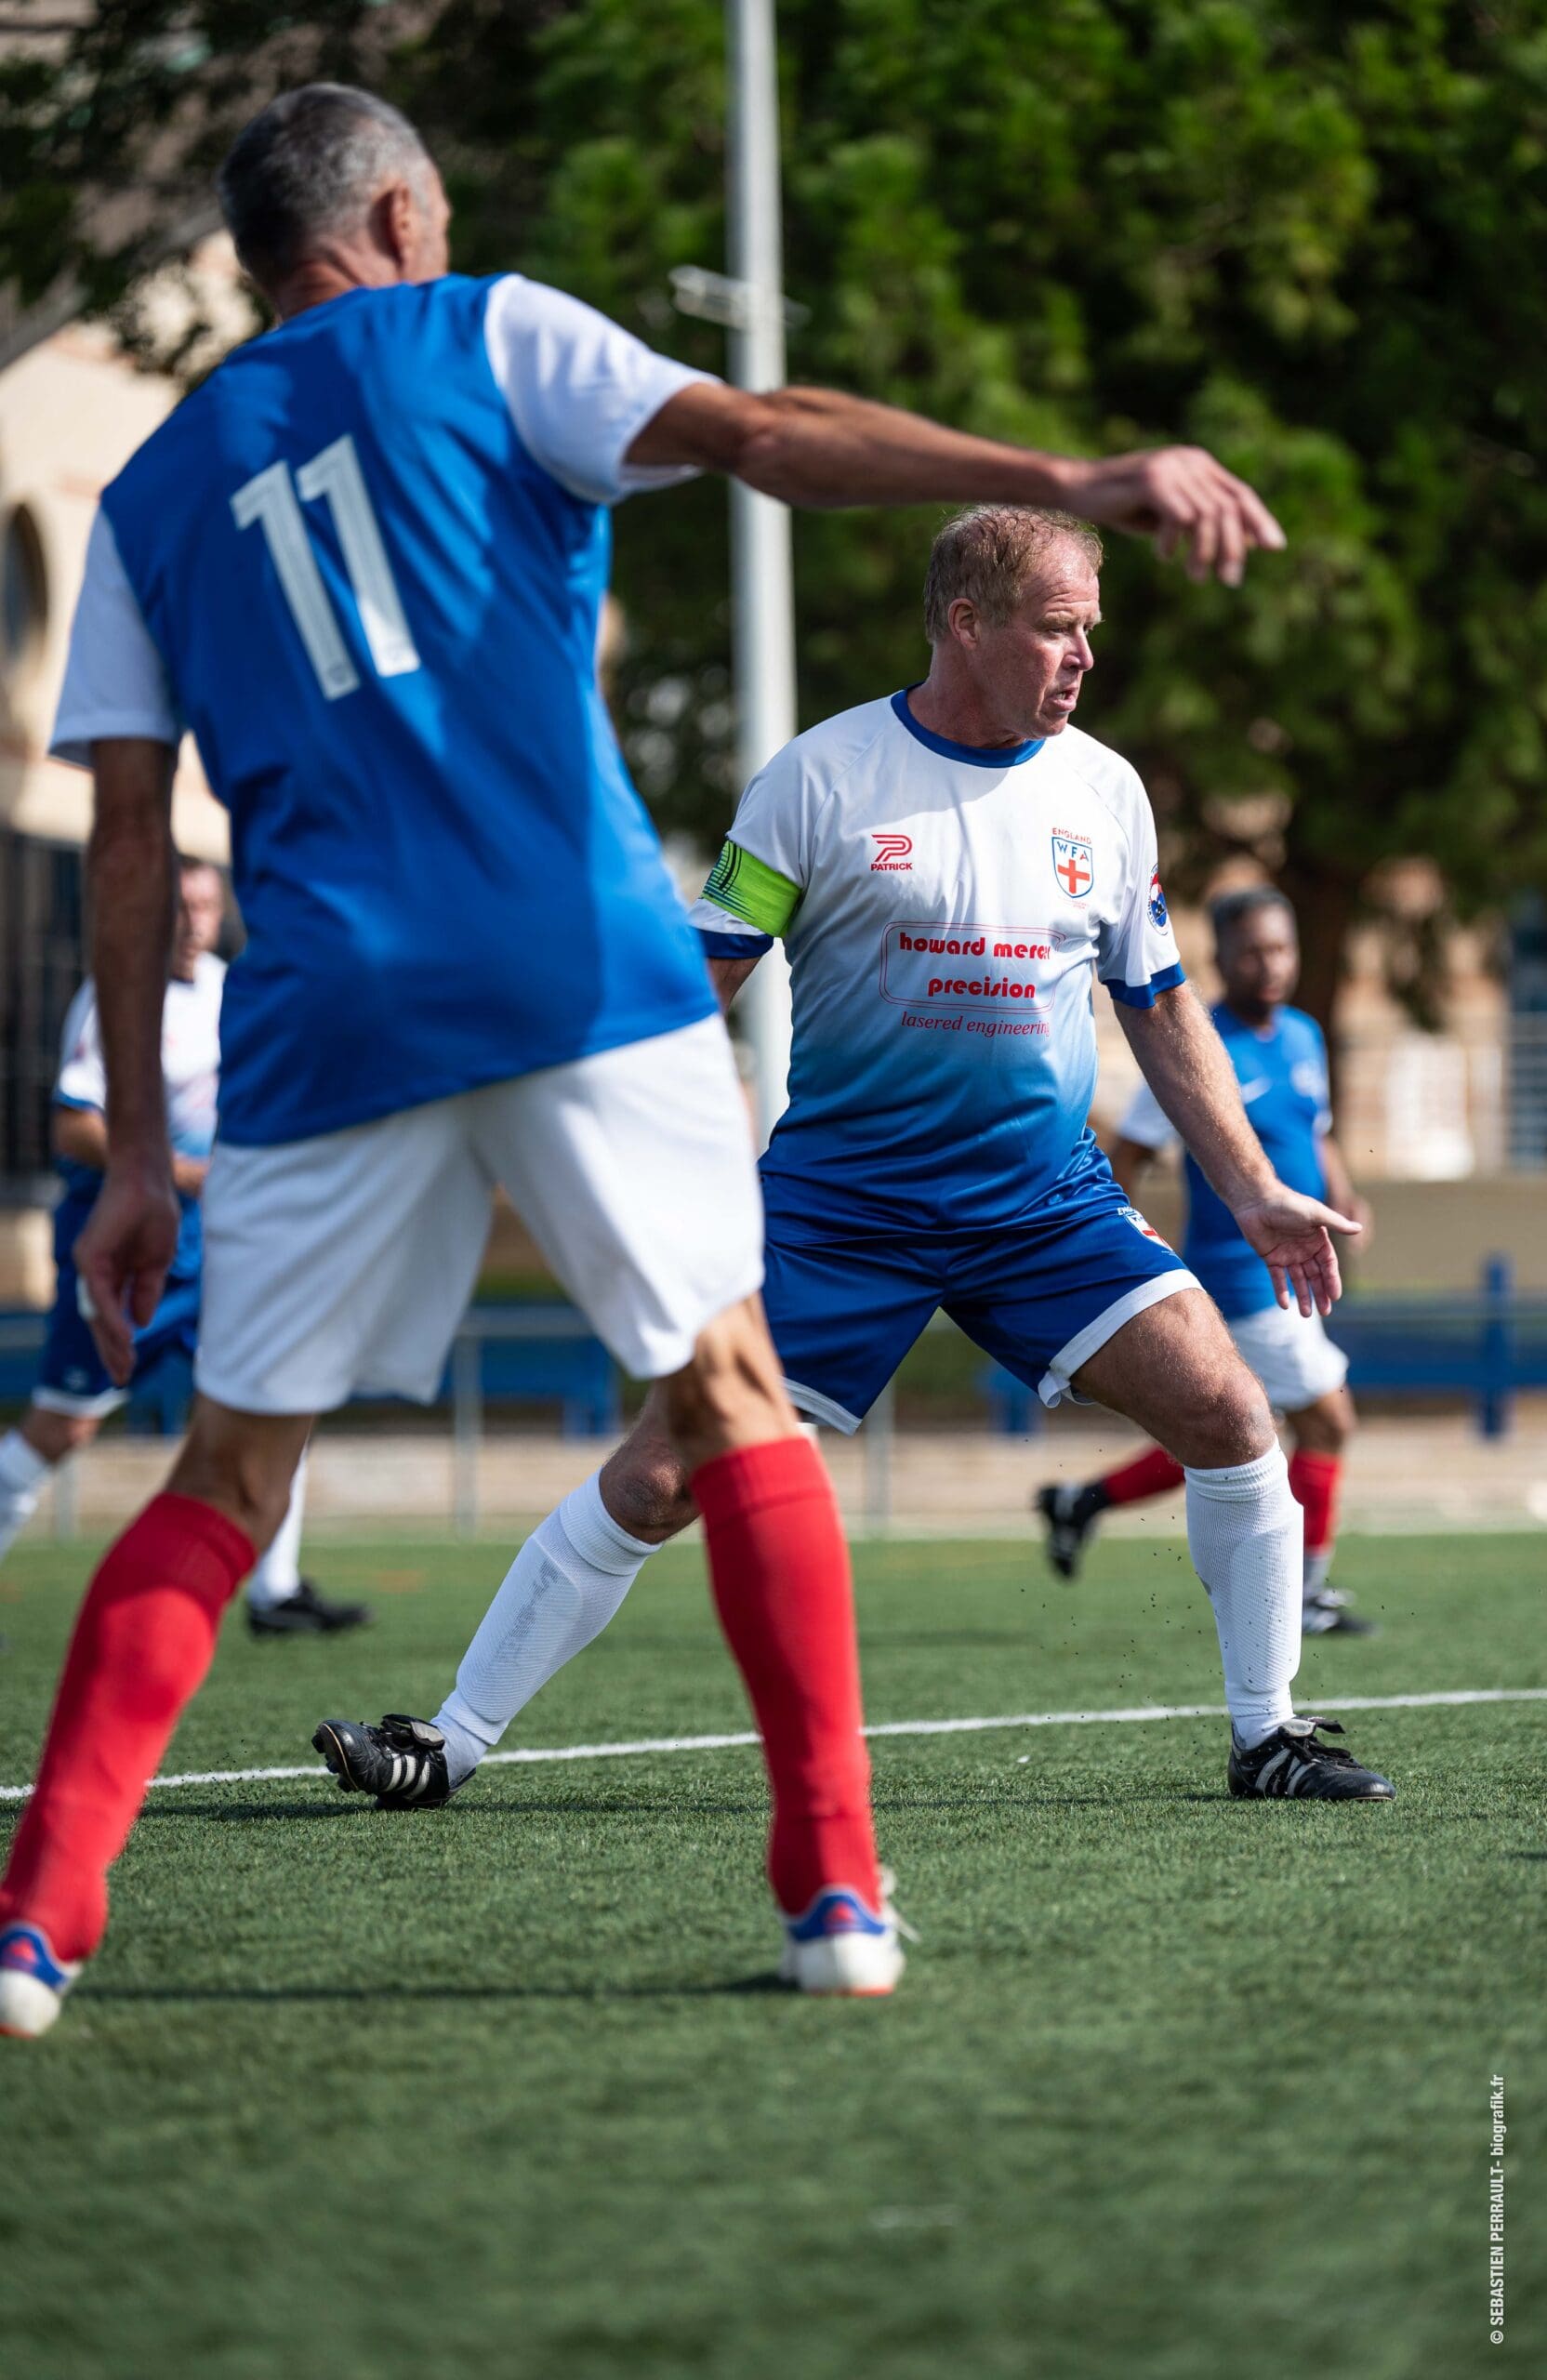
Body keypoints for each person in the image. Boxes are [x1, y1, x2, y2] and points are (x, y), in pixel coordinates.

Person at [0, 75, 1289, 2039]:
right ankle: (832, 1887)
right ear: (403, 215)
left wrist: (125, 1173)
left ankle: (35, 1928)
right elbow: (768, 435)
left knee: (229, 1468)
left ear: (255, 258)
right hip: (577, 962)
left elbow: (119, 836)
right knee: (731, 1405)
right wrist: (1070, 471)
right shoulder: (486, 332)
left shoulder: (156, 486)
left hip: (325, 997)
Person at [315, 506, 1394, 1836]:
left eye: (1089, 632)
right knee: (660, 1477)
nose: (1082, 658)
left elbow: (1161, 1007)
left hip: (1044, 1206)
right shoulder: (819, 778)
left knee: (1232, 1413)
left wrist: (1252, 1187)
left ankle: (1267, 1734)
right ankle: (448, 1740)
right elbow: (696, 987)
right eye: (1057, 630)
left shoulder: (1104, 790)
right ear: (966, 623)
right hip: (840, 1211)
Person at [0, 860, 368, 1638]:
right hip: (129, 1248)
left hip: (221, 1249)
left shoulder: (232, 990)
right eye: (178, 904)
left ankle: (274, 1591)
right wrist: (183, 1172)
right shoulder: (115, 994)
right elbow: (72, 1125)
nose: (192, 920)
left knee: (280, 1394)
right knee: (64, 1426)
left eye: (204, 904)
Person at [1037, 887, 1373, 1635]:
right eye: (1251, 951)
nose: (1270, 965)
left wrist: (1346, 1195)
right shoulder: (1194, 1049)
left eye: (1280, 948)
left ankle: (1080, 1502)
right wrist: (1125, 1246)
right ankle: (1303, 1596)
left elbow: (1315, 1131)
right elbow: (1128, 1156)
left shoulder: (1304, 1035)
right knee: (1328, 1422)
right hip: (1245, 1277)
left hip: (1299, 1268)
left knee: (1236, 1429)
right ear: (1218, 956)